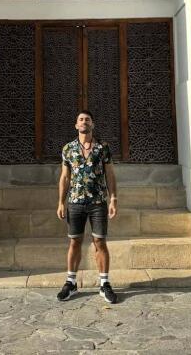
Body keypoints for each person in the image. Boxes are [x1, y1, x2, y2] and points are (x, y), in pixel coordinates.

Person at [56, 110, 118, 303]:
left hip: (98, 202)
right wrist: (61, 202)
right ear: (76, 125)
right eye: (81, 120)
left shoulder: (102, 148)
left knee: (100, 242)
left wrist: (113, 198)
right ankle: (71, 282)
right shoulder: (68, 149)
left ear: (93, 124)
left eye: (88, 119)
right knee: (74, 242)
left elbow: (110, 174)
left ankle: (104, 284)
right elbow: (65, 177)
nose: (84, 122)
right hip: (75, 203)